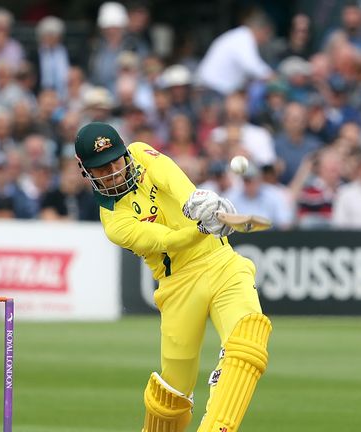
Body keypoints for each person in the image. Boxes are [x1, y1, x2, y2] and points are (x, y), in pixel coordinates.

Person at [73, 122, 272, 432]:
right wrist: (202, 227)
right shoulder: (115, 221)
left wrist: (197, 201)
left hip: (222, 263)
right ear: (86, 171)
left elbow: (167, 174)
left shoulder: (140, 153)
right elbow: (166, 241)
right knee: (172, 396)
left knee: (248, 340)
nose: (113, 171)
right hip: (178, 287)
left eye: (115, 160)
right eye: (101, 167)